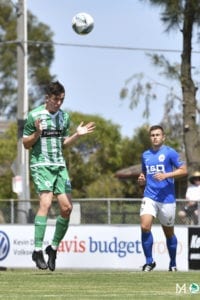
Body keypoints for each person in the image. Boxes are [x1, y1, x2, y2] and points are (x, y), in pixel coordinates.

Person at [23, 81, 95, 271]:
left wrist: (77, 135)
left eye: (62, 100)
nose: (59, 103)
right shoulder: (34, 115)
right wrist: (37, 133)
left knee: (67, 208)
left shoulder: (64, 117)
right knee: (45, 204)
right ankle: (37, 250)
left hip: (59, 166)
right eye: (56, 100)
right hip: (41, 165)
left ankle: (52, 248)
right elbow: (25, 144)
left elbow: (63, 143)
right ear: (47, 98)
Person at [138, 125, 187, 272]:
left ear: (163, 137)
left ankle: (172, 263)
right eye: (152, 135)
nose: (155, 137)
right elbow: (144, 174)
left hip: (167, 199)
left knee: (169, 233)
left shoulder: (170, 152)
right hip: (150, 196)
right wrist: (142, 180)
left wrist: (166, 175)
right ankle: (149, 261)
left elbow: (184, 170)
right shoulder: (145, 155)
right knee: (145, 226)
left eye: (158, 135)